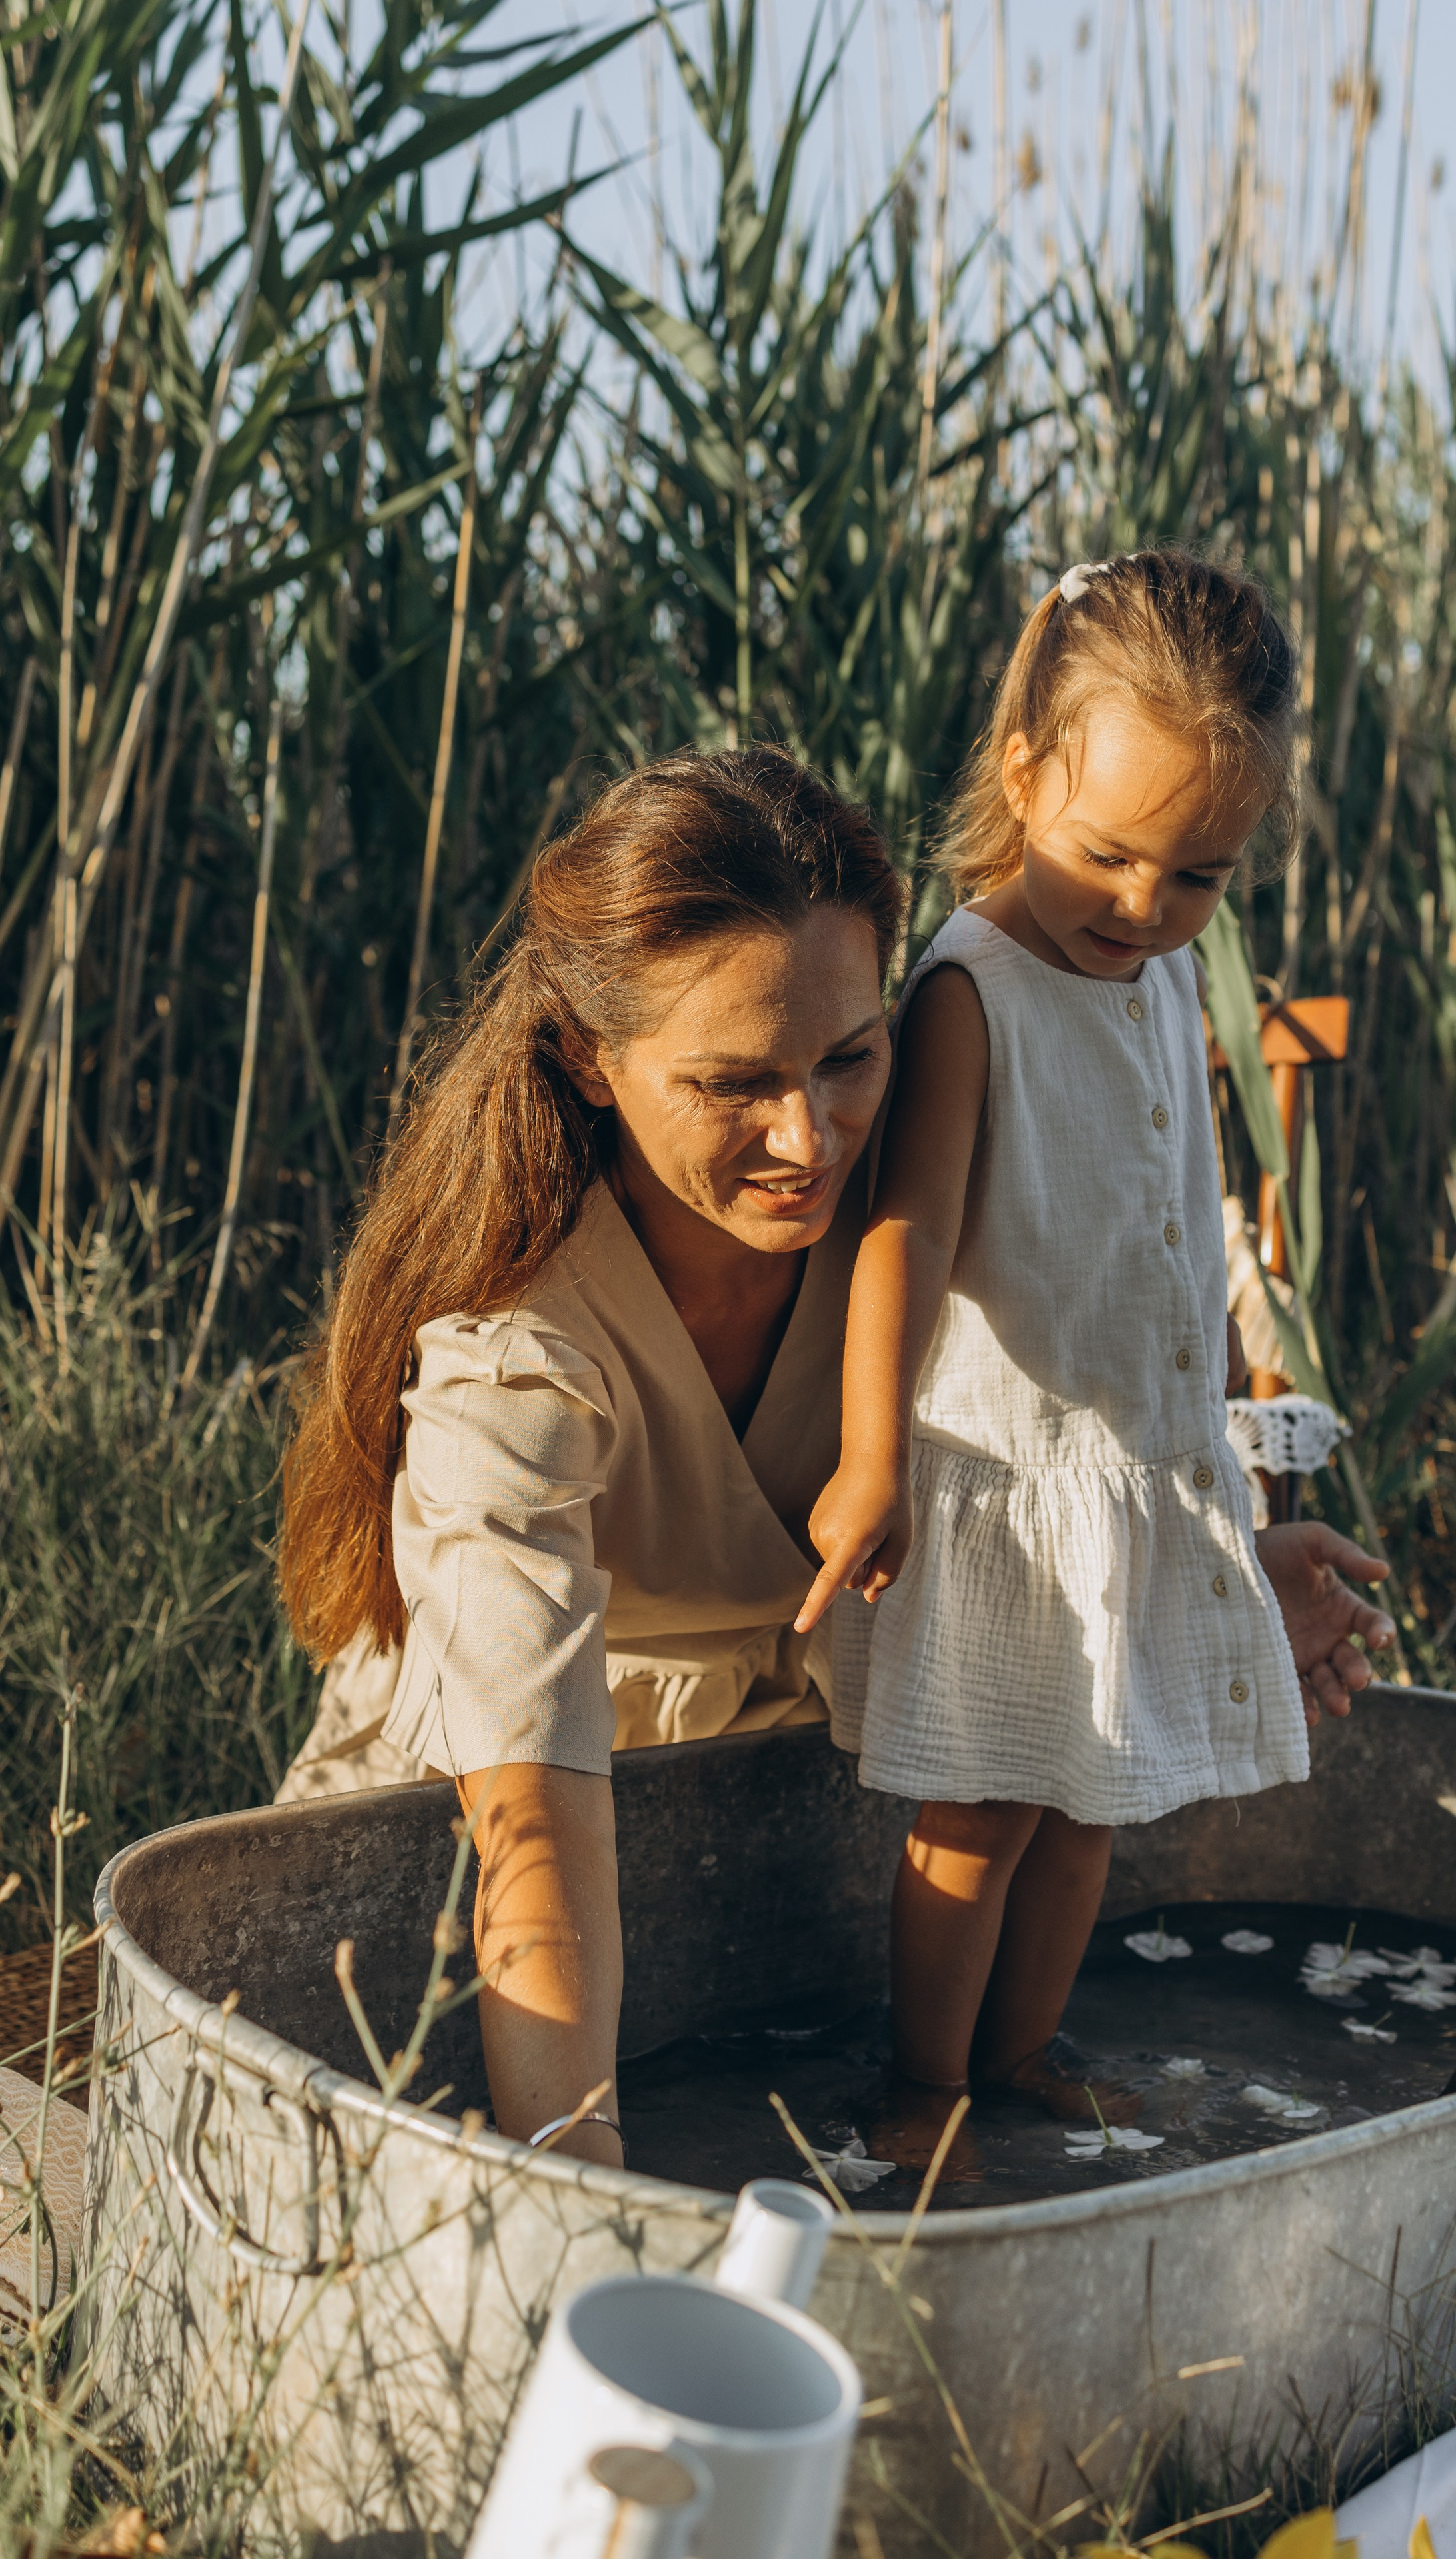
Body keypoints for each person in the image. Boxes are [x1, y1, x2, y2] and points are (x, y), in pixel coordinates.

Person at [796, 550, 1395, 2165]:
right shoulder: (971, 988)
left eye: (1195, 874)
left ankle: (1026, 2047)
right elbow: (904, 1239)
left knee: (1096, 1802)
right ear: (1021, 775)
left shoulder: (1169, 978)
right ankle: (924, 2080)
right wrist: (868, 1463)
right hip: (1003, 1476)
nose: (1142, 904)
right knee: (978, 1812)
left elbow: (1176, 1207)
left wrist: (1216, 1421)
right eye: (1106, 853)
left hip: (1135, 1464)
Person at [279, 748, 904, 2162]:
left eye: (847, 1058)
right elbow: (532, 1824)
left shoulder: (919, 1208)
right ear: (587, 1059)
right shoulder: (515, 1352)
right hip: (488, 1834)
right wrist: (578, 2174)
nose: (808, 1137)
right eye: (733, 1082)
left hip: (772, 1786)